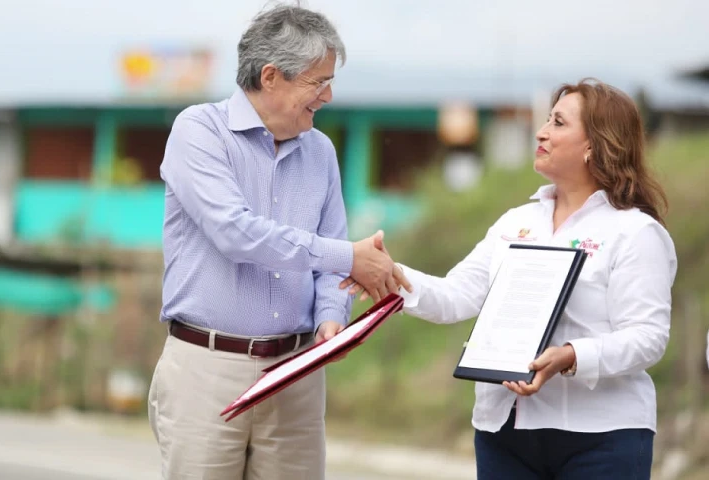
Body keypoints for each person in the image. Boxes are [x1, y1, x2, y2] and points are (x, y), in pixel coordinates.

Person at [343, 78, 677, 479]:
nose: (541, 132)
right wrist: (390, 276)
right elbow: (456, 295)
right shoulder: (515, 222)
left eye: (557, 122)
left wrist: (571, 356)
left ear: (594, 144)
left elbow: (648, 337)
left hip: (602, 436)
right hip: (504, 433)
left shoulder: (635, 232)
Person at [147, 4, 410, 480]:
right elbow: (235, 231)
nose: (328, 95)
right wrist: (349, 255)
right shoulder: (199, 131)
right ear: (271, 76)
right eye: (318, 82)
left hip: (297, 372)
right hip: (208, 371)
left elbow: (329, 251)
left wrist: (333, 320)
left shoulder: (321, 151)